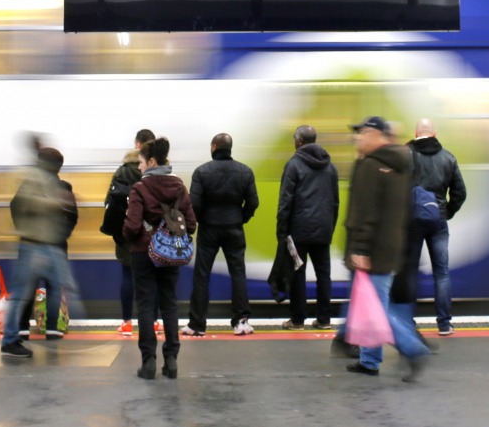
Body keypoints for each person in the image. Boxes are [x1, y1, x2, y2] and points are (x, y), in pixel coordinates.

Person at [342, 116, 431, 381]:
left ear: (377, 136)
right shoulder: (398, 163)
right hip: (390, 246)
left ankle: (414, 350)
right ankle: (370, 360)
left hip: (373, 251)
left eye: (363, 133)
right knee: (371, 306)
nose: (358, 138)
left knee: (377, 311)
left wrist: (360, 249)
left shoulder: (372, 166)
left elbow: (366, 213)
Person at [123, 137, 197, 380]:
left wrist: (132, 234)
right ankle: (172, 360)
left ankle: (148, 363)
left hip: (143, 254)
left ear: (152, 161)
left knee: (146, 306)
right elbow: (192, 224)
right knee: (169, 304)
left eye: (142, 162)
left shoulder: (139, 188)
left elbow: (132, 226)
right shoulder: (178, 186)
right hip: (170, 254)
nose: (140, 167)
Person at [0, 146, 79, 359]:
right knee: (52, 287)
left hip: (34, 243)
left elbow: (15, 205)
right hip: (47, 245)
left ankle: (21, 330)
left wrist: (23, 229)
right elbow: (72, 215)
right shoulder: (58, 186)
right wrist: (62, 233)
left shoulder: (34, 181)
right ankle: (46, 329)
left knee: (25, 290)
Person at [184, 133, 260, 336]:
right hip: (234, 228)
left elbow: (195, 204)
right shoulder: (245, 171)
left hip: (209, 229)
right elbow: (253, 203)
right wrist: (240, 218)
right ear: (230, 148)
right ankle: (241, 322)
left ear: (213, 147)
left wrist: (203, 220)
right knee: (238, 273)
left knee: (202, 275)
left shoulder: (201, 172)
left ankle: (197, 324)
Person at [406, 118, 468, 336]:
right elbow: (460, 193)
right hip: (438, 220)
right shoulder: (448, 157)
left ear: (415, 133)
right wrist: (447, 211)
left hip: (411, 221)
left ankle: (408, 322)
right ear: (434, 133)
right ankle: (443, 323)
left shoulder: (405, 155)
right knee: (441, 273)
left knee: (410, 272)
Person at [276, 124, 339, 331]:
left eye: (295, 138)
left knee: (297, 272)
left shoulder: (293, 165)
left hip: (299, 230)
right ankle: (324, 319)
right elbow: (335, 202)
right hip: (323, 228)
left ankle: (297, 320)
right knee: (323, 274)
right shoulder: (330, 166)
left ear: (300, 141)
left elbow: (286, 200)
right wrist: (330, 226)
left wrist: (282, 232)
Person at [110, 128, 153, 338]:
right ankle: (154, 322)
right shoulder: (160, 170)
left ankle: (127, 323)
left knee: (128, 275)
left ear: (137, 144)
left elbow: (110, 202)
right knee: (154, 278)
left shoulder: (123, 170)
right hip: (153, 234)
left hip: (127, 230)